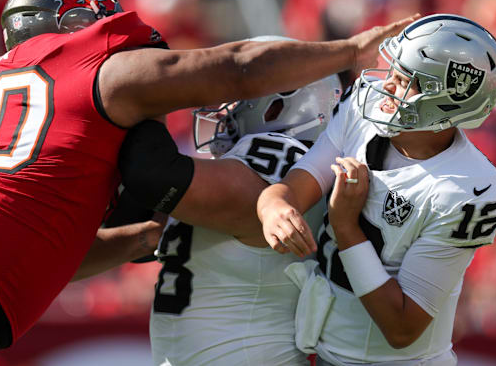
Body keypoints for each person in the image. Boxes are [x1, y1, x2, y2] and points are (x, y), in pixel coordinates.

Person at [0, 0, 416, 365]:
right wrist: (350, 50)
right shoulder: (98, 73)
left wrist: (138, 238)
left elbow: (47, 254)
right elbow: (239, 67)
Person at [256, 14, 496, 365]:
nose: (387, 86)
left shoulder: (469, 190)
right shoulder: (363, 111)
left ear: (443, 102)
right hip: (328, 353)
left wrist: (345, 226)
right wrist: (273, 206)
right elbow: (298, 183)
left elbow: (402, 328)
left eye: (404, 81)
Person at [118, 36, 342, 366]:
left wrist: (138, 86)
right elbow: (133, 220)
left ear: (279, 104)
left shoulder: (285, 160)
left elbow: (151, 174)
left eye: (241, 94)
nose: (227, 105)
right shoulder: (257, 167)